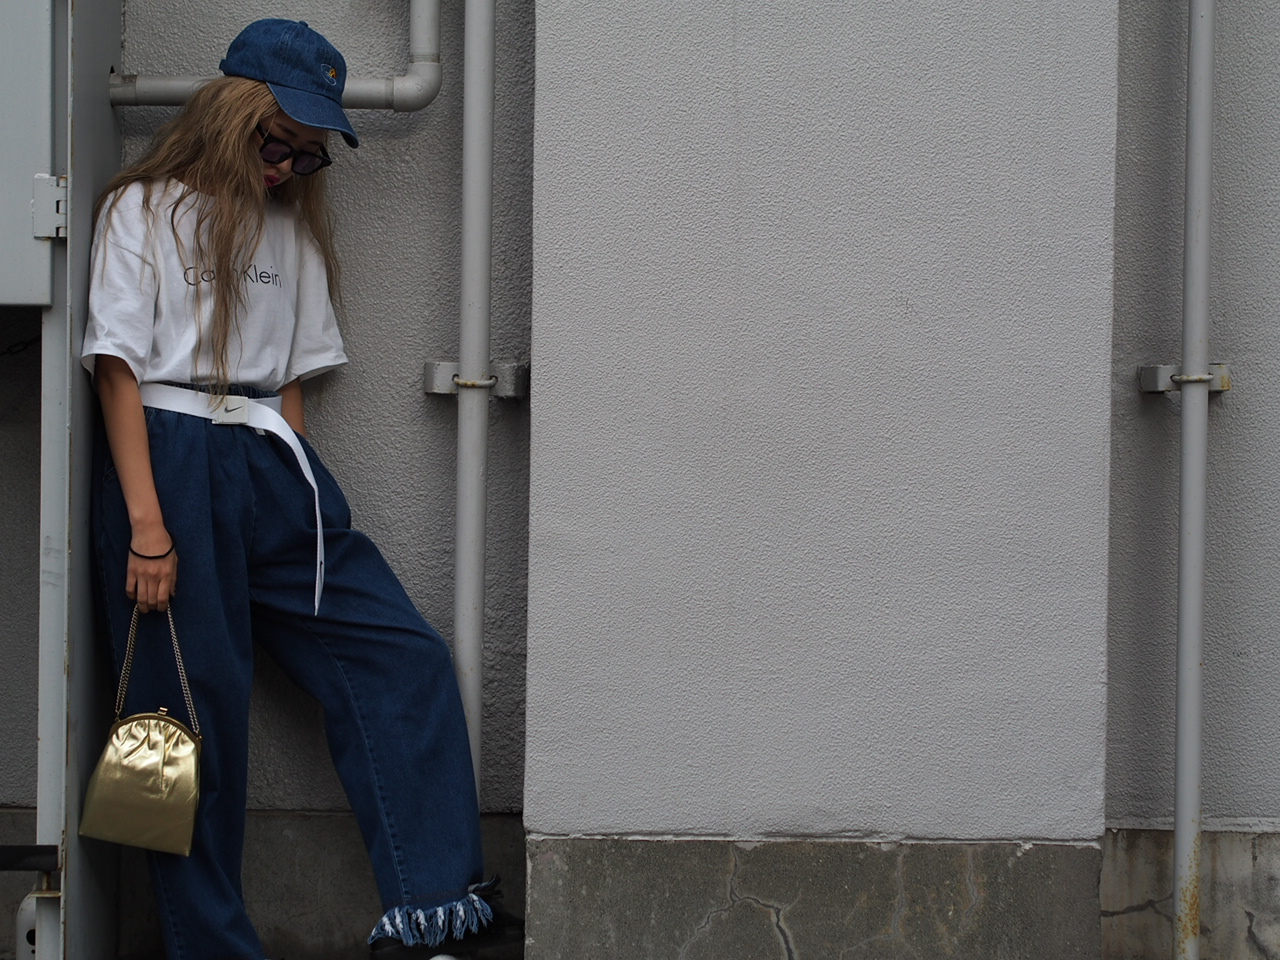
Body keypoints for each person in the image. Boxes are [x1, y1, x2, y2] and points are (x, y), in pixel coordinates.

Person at [82, 19, 520, 960]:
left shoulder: (293, 226)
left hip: (271, 463)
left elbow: (290, 383)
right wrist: (148, 525)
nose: (286, 169)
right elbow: (116, 369)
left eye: (308, 156)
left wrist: (298, 487)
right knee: (176, 723)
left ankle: (435, 915)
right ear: (228, 114)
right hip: (168, 458)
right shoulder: (141, 207)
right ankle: (207, 945)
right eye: (276, 143)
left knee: (402, 656)